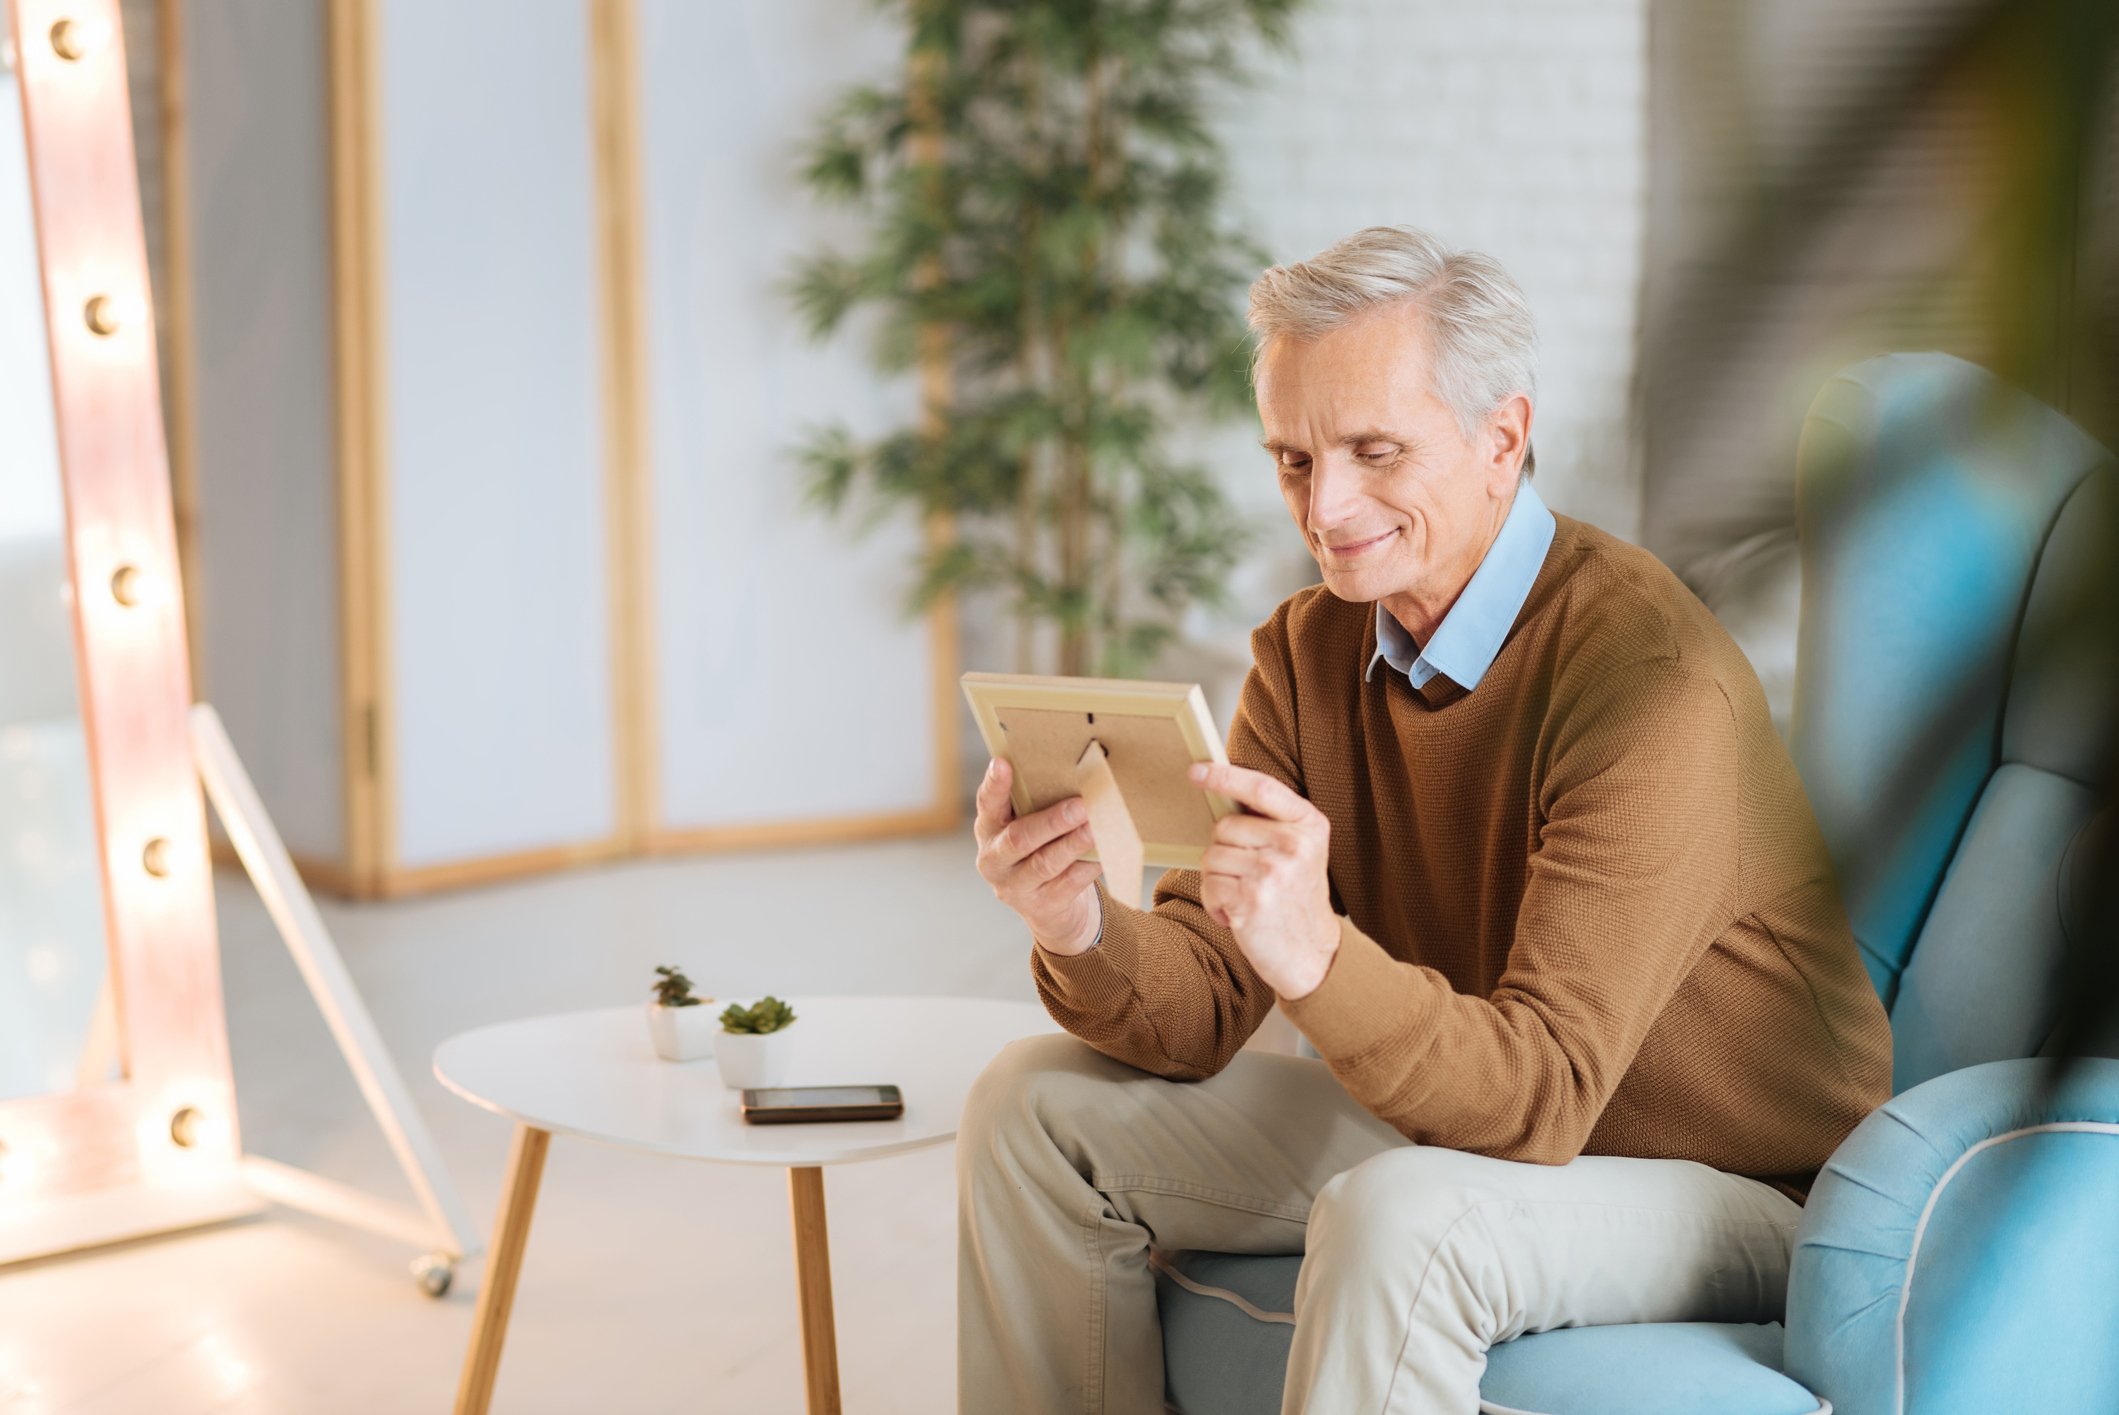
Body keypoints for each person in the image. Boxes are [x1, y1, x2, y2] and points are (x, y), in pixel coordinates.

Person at [955, 225, 1893, 1414]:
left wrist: (1317, 952)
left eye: (1373, 450)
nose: (1326, 504)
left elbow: (1544, 1091)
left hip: (1735, 1188)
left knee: (1400, 1218)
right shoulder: (1305, 654)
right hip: (1467, 1121)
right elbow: (1197, 1007)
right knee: (1031, 1107)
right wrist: (1079, 925)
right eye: (1292, 459)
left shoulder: (1649, 682)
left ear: (1501, 438)